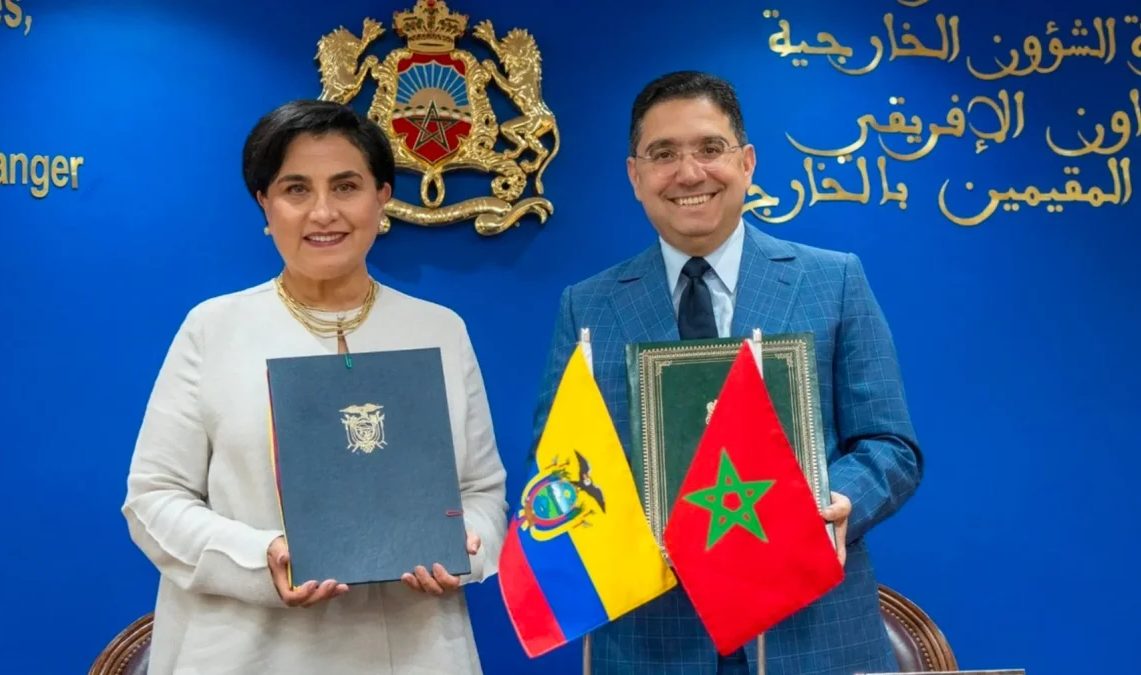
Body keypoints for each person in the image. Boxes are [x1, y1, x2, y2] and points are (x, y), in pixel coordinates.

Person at [530, 71, 924, 675]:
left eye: (710, 149)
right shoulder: (588, 306)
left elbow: (890, 446)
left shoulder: (833, 280)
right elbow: (557, 461)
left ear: (746, 163)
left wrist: (834, 499)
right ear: (635, 177)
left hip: (807, 630)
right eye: (664, 155)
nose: (689, 174)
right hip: (650, 641)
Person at [122, 99, 508, 675]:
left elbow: (482, 492)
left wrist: (463, 547)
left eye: (346, 186)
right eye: (296, 190)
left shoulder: (439, 330)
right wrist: (263, 557)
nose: (323, 212)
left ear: (382, 198)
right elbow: (153, 499)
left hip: (414, 648)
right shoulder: (213, 329)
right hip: (248, 650)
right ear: (265, 205)